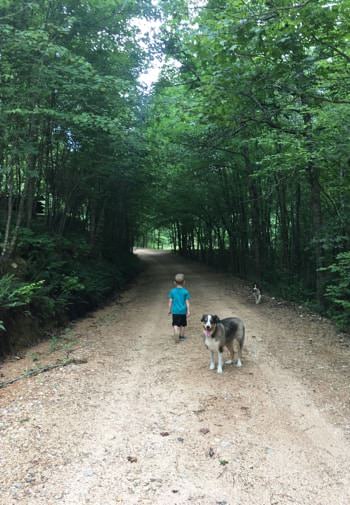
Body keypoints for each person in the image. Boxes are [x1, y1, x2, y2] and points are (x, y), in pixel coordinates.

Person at [168, 273, 191, 342]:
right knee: (183, 325)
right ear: (184, 282)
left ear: (174, 282)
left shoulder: (172, 291)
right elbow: (187, 302)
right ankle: (181, 336)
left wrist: (169, 310)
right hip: (183, 311)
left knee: (175, 324)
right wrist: (188, 310)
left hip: (175, 311)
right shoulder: (185, 291)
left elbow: (170, 302)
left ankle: (176, 331)